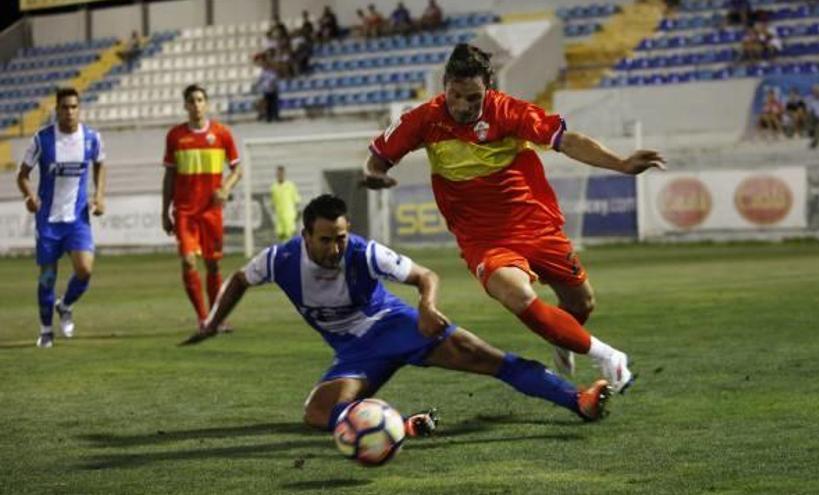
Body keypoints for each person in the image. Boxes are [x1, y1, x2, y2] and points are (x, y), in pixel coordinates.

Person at [362, 44, 664, 391]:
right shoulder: (423, 119)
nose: (462, 106)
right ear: (444, 84)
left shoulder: (509, 112)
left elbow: (568, 141)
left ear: (488, 88)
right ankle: (608, 355)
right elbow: (377, 157)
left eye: (473, 98)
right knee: (516, 295)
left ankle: (560, 335)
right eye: (455, 95)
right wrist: (374, 173)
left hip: (535, 224)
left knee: (581, 304)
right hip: (483, 238)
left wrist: (622, 164)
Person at [182, 195, 612, 435]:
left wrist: (427, 307)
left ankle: (579, 400)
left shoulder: (363, 251)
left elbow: (425, 274)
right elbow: (238, 279)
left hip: (399, 327)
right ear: (306, 236)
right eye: (327, 240)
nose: (336, 248)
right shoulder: (278, 260)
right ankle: (397, 428)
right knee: (316, 413)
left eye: (341, 237)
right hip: (353, 353)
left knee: (494, 361)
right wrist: (213, 321)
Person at [15, 87, 106, 348]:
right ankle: (46, 331)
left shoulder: (91, 139)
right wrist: (29, 197)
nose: (69, 112)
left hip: (77, 219)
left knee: (85, 270)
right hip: (48, 221)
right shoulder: (42, 139)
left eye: (74, 107)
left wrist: (99, 196)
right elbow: (22, 175)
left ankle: (64, 305)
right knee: (47, 277)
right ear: (57, 110)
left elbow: (100, 164)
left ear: (79, 109)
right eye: (65, 107)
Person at [162, 84, 241, 331]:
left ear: (206, 104)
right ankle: (203, 318)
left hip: (211, 212)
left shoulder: (221, 134)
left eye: (200, 100)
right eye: (191, 101)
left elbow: (237, 169)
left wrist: (226, 187)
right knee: (188, 262)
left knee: (213, 265)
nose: (196, 105)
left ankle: (218, 318)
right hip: (185, 211)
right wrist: (165, 211)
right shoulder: (175, 136)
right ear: (185, 105)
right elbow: (169, 177)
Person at [270, 166, 301, 240]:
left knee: (289, 235)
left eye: (281, 173)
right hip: (279, 216)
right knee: (280, 235)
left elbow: (297, 200)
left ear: (284, 174)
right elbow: (273, 203)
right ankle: (285, 250)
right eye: (278, 173)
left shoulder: (290, 186)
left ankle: (290, 250)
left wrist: (296, 213)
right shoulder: (273, 187)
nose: (280, 175)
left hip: (289, 216)